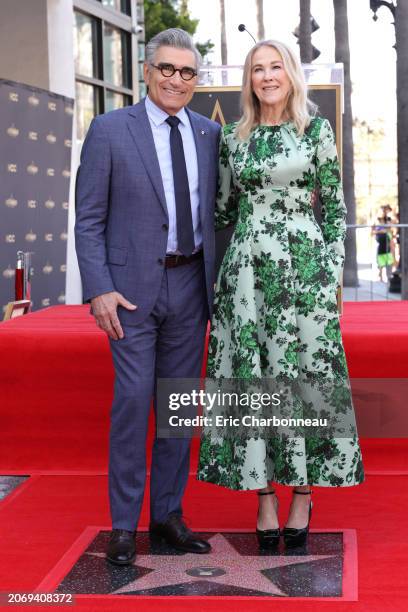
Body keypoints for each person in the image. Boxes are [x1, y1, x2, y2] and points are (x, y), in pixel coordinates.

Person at [197, 40, 364, 548]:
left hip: (306, 275)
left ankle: (303, 493)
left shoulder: (317, 131)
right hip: (248, 276)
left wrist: (329, 271)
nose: (267, 77)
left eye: (275, 68)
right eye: (257, 70)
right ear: (248, 80)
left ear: (291, 75)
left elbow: (333, 211)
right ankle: (264, 496)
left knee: (307, 380)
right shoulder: (232, 138)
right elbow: (222, 210)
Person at [75, 28, 220, 565]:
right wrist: (99, 289)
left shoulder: (209, 134)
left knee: (178, 409)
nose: (176, 79)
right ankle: (123, 524)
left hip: (191, 288)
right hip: (129, 293)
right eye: (167, 68)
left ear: (195, 80)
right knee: (135, 403)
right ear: (146, 70)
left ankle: (166, 516)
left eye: (186, 72)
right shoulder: (110, 130)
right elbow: (88, 219)